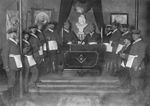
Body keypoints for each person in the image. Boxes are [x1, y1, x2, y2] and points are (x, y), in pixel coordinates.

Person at [3, 28, 22, 98]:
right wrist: (6, 66)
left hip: (16, 64)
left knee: (15, 80)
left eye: (15, 33)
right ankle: (10, 96)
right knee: (12, 79)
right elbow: (4, 55)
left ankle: (13, 95)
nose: (14, 34)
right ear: (9, 35)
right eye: (12, 33)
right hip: (11, 65)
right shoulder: (8, 42)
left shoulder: (15, 42)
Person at [127, 30, 146, 94]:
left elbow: (141, 56)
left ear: (139, 35)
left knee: (137, 79)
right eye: (132, 35)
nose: (133, 36)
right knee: (133, 77)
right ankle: (133, 93)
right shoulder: (135, 42)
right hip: (132, 63)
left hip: (137, 64)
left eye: (135, 35)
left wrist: (137, 65)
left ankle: (139, 95)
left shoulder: (142, 43)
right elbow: (131, 54)